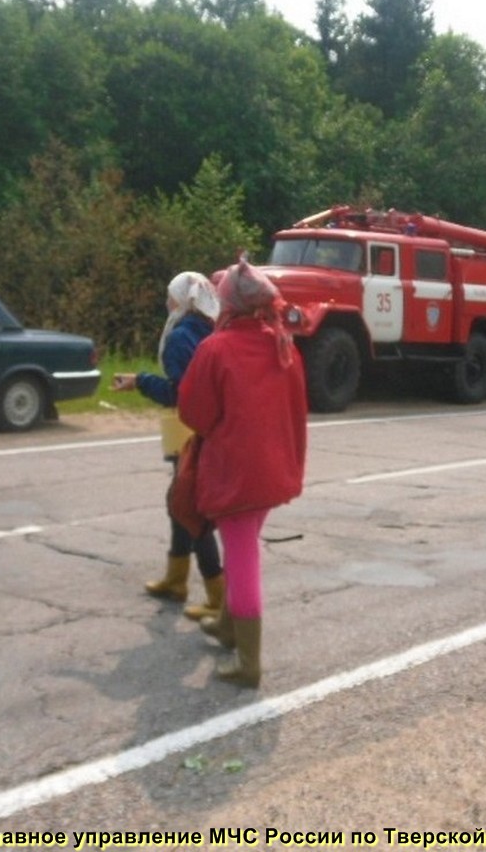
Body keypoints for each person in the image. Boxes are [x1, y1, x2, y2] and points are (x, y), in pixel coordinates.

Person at [178, 258, 308, 688]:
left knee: (242, 556)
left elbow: (194, 414)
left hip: (235, 472)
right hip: (273, 469)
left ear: (228, 303)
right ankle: (229, 627)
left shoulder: (215, 349)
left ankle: (248, 663)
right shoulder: (283, 344)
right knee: (242, 546)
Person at [112, 272, 224, 620]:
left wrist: (140, 382)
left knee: (190, 508)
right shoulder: (210, 328)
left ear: (183, 301)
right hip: (210, 429)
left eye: (170, 297)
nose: (166, 303)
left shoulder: (180, 337)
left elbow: (180, 393)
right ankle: (176, 580)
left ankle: (217, 596)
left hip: (187, 430)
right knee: (180, 502)